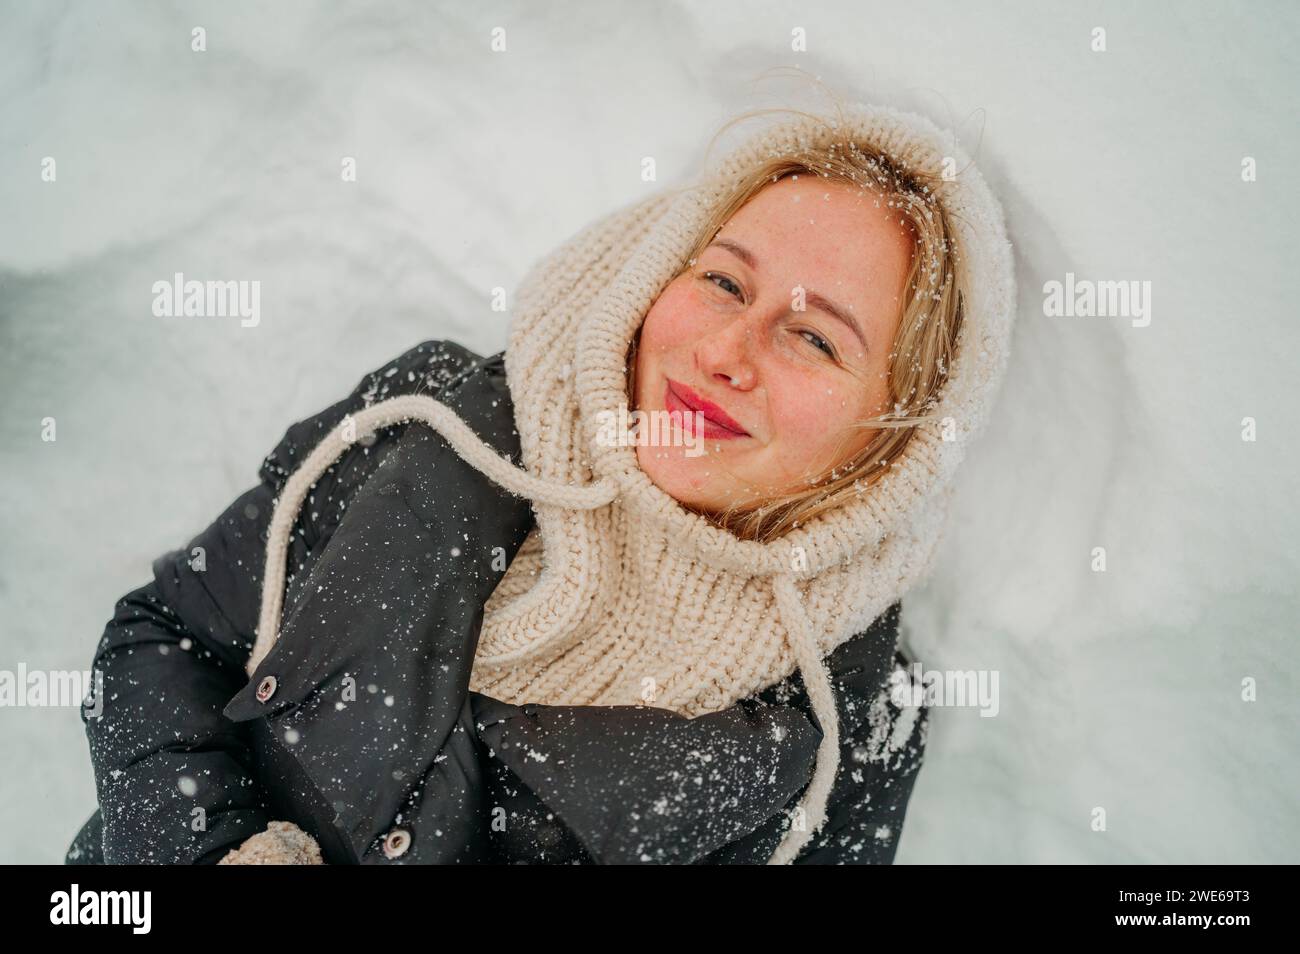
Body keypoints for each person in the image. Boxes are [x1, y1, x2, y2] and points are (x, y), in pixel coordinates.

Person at [65, 98, 1015, 865]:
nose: (726, 350)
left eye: (814, 337)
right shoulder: (429, 417)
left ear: (894, 439)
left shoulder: (851, 723)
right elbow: (166, 634)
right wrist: (209, 850)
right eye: (723, 282)